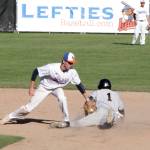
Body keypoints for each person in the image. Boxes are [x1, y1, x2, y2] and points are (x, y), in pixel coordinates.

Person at [0, 52, 89, 127]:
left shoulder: (72, 72)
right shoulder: (51, 67)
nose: (71, 64)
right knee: (28, 109)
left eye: (72, 63)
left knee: (62, 98)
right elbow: (36, 71)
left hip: (56, 88)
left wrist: (87, 99)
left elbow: (79, 85)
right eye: (69, 62)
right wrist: (31, 87)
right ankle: (10, 116)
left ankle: (66, 120)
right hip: (44, 87)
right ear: (63, 61)